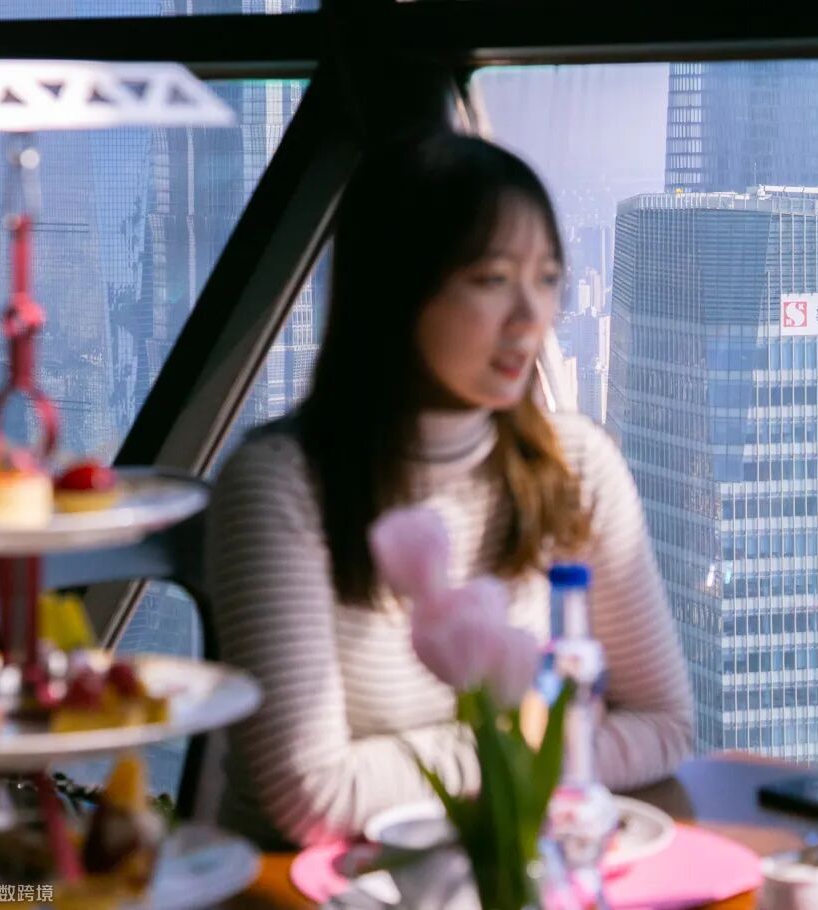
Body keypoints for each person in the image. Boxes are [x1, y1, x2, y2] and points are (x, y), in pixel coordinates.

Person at [207, 131, 693, 849]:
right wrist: (536, 740)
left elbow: (667, 726)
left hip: (515, 873)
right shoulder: (282, 486)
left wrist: (485, 758)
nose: (530, 316)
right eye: (492, 279)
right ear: (397, 288)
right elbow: (311, 797)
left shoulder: (576, 467)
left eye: (547, 278)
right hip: (320, 886)